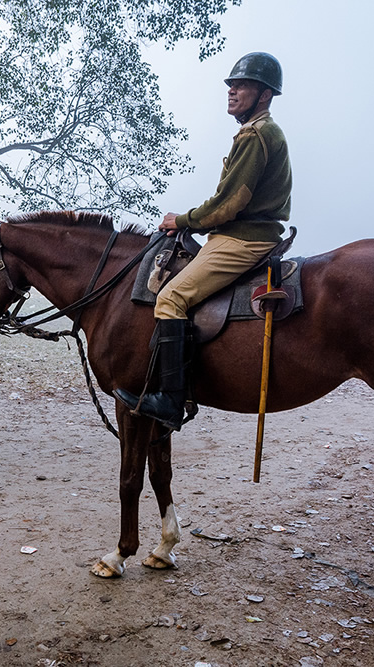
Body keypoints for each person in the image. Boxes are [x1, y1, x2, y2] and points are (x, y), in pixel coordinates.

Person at [113, 52, 292, 431]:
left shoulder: (256, 134)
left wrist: (183, 220)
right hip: (236, 234)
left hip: (243, 239)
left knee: (171, 298)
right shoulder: (256, 132)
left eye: (241, 85)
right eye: (230, 84)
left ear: (264, 95)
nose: (232, 91)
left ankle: (170, 401)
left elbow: (230, 203)